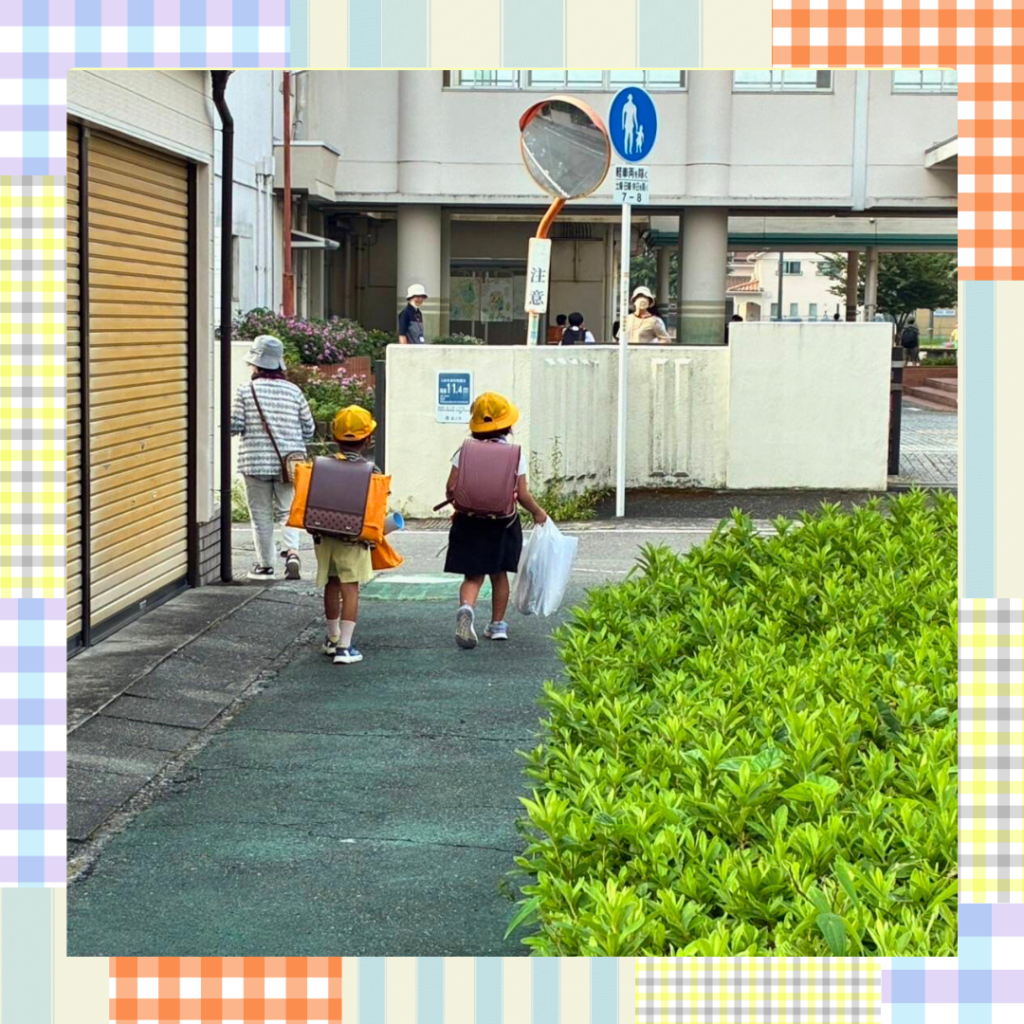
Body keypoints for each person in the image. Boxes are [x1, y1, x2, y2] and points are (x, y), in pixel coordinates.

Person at [443, 392, 548, 649]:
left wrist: (460, 503)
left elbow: (450, 488)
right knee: (499, 574)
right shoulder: (514, 455)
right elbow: (522, 494)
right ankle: (498, 625)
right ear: (508, 425)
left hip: (468, 521)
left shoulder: (464, 452)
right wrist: (538, 512)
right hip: (502, 523)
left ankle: (467, 608)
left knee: (472, 576)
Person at [231, 335, 315, 581]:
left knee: (261, 516)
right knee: (287, 511)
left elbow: (235, 425)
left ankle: (265, 566)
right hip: (288, 464)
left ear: (256, 364)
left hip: (254, 462)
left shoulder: (245, 391)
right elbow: (309, 429)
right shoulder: (294, 391)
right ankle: (292, 553)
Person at [314, 406, 381, 665]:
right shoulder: (371, 471)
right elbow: (377, 508)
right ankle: (345, 646)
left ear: (335, 436)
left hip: (324, 536)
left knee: (331, 583)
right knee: (350, 588)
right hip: (354, 538)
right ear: (368, 439)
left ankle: (332, 638)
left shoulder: (321, 467)